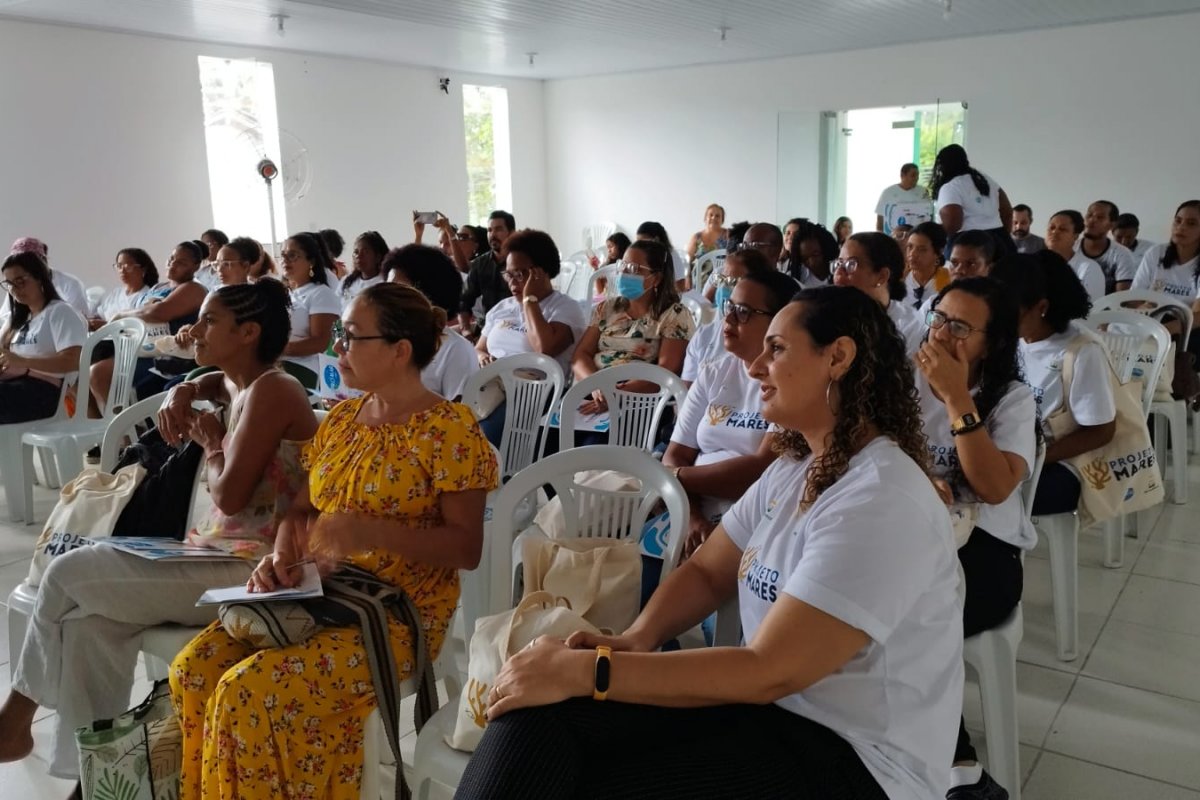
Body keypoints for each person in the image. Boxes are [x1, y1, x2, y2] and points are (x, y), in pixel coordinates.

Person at [457, 285, 963, 800]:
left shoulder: (881, 497)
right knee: (538, 713)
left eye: (777, 349)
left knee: (588, 772)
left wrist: (594, 670)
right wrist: (636, 640)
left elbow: (770, 669)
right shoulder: (797, 468)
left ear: (837, 357)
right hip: (770, 714)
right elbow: (707, 572)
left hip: (856, 759)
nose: (755, 367)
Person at [170, 282, 499, 799]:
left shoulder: (450, 431)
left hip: (397, 610)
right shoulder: (344, 420)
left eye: (349, 338)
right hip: (321, 589)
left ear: (399, 350)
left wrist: (370, 532)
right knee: (192, 670)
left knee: (246, 694)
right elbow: (301, 510)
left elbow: (466, 548)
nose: (335, 349)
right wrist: (281, 557)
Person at [0, 279, 316, 783]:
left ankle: (14, 719)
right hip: (206, 554)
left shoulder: (276, 390)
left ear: (249, 332)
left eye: (210, 321)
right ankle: (96, 779)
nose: (194, 330)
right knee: (87, 625)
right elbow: (215, 382)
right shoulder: (238, 381)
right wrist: (186, 387)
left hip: (251, 570)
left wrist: (211, 442)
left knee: (66, 574)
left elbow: (230, 496)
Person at [913, 277, 1037, 800]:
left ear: (994, 341)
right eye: (938, 319)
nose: (942, 335)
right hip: (918, 537)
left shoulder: (1012, 399)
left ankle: (961, 767)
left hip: (985, 552)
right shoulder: (904, 381)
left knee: (909, 615)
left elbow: (991, 487)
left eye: (960, 327)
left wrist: (957, 396)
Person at [665, 269, 798, 556]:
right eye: (730, 307)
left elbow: (758, 471)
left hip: (751, 515)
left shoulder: (792, 382)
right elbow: (676, 452)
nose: (729, 319)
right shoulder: (714, 372)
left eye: (744, 311)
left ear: (779, 321)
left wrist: (672, 477)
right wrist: (693, 518)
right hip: (691, 507)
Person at [991, 252, 1116, 516]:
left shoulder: (1081, 351)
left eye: (1009, 311)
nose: (998, 319)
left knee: (987, 494)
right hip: (1015, 446)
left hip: (1060, 461)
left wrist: (1036, 458)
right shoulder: (1015, 338)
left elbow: (1101, 431)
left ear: (1041, 307)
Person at [572, 239, 695, 413]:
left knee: (592, 440)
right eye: (623, 265)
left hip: (639, 405)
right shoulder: (607, 308)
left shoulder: (674, 315)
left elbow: (665, 373)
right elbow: (580, 356)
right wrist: (596, 387)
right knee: (553, 434)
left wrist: (615, 394)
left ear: (656, 278)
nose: (623, 273)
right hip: (595, 395)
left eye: (633, 269)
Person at [96, 240, 208, 401]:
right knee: (84, 371)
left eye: (181, 262)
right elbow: (141, 312)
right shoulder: (158, 288)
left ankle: (126, 424)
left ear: (196, 266)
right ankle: (107, 422)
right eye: (171, 259)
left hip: (168, 355)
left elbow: (159, 312)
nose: (173, 264)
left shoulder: (194, 288)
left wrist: (121, 315)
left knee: (99, 373)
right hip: (138, 347)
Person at [477, 229, 588, 375]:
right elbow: (479, 348)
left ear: (543, 271)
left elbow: (544, 349)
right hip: (490, 380)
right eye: (509, 275)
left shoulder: (566, 308)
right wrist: (481, 356)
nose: (512, 283)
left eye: (519, 274)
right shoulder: (503, 306)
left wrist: (529, 300)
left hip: (535, 392)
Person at [383, 244, 480, 401]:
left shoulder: (455, 350)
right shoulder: (384, 338)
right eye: (387, 289)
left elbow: (458, 418)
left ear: (428, 294)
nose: (388, 297)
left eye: (399, 290)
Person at [0, 252, 86, 423]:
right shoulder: (16, 319)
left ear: (40, 278)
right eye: (9, 284)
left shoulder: (59, 312)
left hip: (46, 393)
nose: (14, 289)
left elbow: (75, 361)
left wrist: (23, 361)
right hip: (16, 384)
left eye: (20, 282)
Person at [687, 248, 781, 384]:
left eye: (733, 282)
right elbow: (687, 391)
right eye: (721, 279)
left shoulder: (766, 341)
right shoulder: (704, 335)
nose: (723, 287)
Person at [832, 232, 925, 355]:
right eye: (839, 263)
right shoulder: (828, 316)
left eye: (851, 265)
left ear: (882, 276)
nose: (839, 272)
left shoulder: (911, 327)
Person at [279, 232, 341, 389]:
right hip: (278, 362)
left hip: (306, 367)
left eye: (292, 256)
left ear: (311, 261)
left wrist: (275, 349)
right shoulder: (286, 293)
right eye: (283, 255)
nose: (285, 260)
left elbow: (320, 342)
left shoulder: (321, 294)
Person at [931, 144, 1014, 260]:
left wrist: (934, 236)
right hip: (1000, 240)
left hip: (967, 242)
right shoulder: (986, 180)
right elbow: (1008, 212)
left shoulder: (950, 187)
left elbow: (953, 223)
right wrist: (1003, 236)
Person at [1131, 200, 1200, 302]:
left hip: (1186, 318)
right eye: (1178, 221)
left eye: (1191, 223)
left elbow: (1198, 313)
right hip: (1147, 316)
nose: (1181, 227)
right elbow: (1134, 296)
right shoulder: (1156, 252)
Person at [459, 210, 516, 332]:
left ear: (511, 233)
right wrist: (465, 330)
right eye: (489, 230)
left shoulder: (522, 262)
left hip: (516, 327)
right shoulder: (480, 263)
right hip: (487, 328)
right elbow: (464, 300)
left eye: (498, 229)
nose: (492, 234)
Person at [7, 238, 88, 319]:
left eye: (29, 262)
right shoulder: (15, 288)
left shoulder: (71, 284)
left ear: (43, 260)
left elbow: (79, 319)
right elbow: (7, 318)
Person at [1045, 210, 1105, 301]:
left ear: (1075, 236)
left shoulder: (1089, 268)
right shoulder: (1033, 264)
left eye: (1062, 229)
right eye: (1051, 228)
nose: (1055, 232)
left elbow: (1092, 309)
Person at [89, 247, 154, 330]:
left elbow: (139, 327)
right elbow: (100, 315)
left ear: (143, 269)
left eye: (127, 266)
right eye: (119, 266)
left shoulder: (147, 296)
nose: (122, 271)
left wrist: (106, 326)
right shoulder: (115, 293)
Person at [1080, 200, 1138, 293]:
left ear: (1112, 225)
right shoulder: (1070, 248)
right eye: (1089, 215)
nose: (1092, 220)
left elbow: (1122, 298)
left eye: (1100, 217)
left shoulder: (1122, 255)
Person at [875, 162, 934, 234]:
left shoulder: (923, 191)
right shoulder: (888, 192)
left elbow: (929, 213)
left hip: (918, 234)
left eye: (917, 175)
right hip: (894, 234)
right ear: (902, 175)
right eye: (913, 175)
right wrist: (880, 234)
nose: (916, 178)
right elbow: (880, 217)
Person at [905, 221, 951, 309]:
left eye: (922, 249)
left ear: (939, 252)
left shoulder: (949, 280)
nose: (912, 254)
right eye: (910, 247)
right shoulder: (899, 278)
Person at [338, 230, 389, 306]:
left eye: (365, 252)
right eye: (356, 252)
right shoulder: (346, 281)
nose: (359, 256)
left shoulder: (386, 285)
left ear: (378, 257)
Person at [784, 220, 838, 289]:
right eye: (805, 259)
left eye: (816, 254)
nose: (812, 262)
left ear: (827, 250)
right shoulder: (796, 277)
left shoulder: (840, 275)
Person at [637, 221, 689, 291]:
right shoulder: (641, 255)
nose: (639, 246)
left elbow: (680, 287)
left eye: (643, 243)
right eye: (638, 243)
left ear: (656, 240)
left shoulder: (671, 256)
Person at [686, 203, 730, 271]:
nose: (713, 218)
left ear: (722, 220)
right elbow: (687, 263)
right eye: (711, 215)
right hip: (699, 279)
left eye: (717, 216)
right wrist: (688, 280)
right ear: (705, 218)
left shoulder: (729, 235)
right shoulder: (696, 238)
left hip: (723, 279)